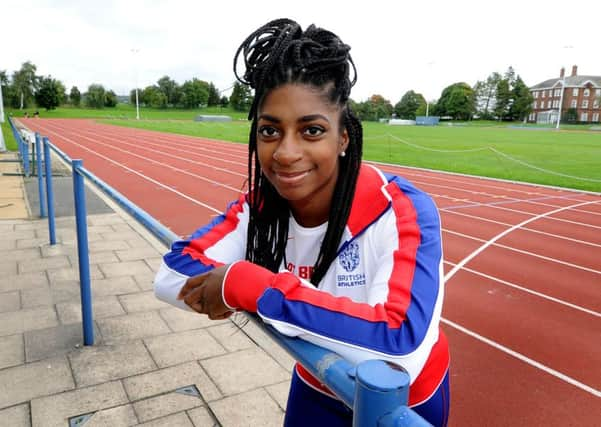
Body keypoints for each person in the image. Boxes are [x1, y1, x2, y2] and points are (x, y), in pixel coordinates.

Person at [154, 18, 449, 426]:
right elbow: (170, 275)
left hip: (405, 406)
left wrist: (248, 285)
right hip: (318, 380)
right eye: (270, 131)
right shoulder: (262, 206)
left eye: (311, 130)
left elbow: (399, 350)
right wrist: (267, 294)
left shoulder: (401, 211)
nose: (286, 153)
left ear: (343, 137)